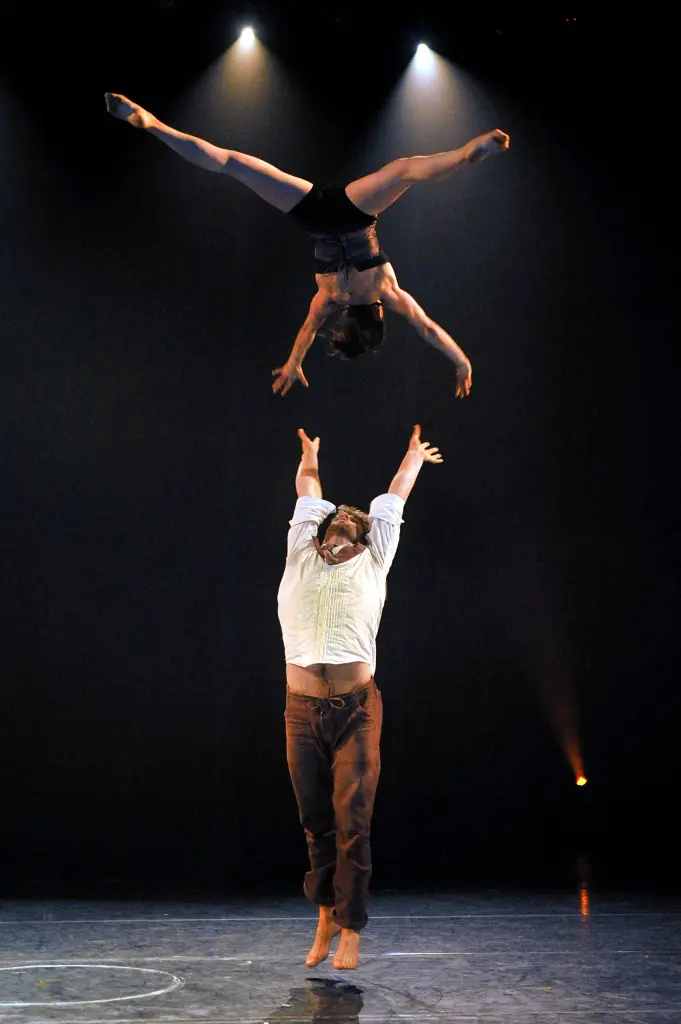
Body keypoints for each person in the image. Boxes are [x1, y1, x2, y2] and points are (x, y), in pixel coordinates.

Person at [105, 93, 509, 398]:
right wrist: (292, 363)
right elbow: (305, 332)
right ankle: (154, 125)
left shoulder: (386, 291)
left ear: (379, 315)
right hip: (314, 218)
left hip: (354, 211)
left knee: (403, 171)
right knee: (233, 165)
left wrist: (461, 360)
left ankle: (464, 153)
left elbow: (426, 328)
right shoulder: (327, 298)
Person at [277, 423, 442, 970]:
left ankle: (351, 925)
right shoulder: (301, 550)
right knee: (314, 818)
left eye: (355, 519)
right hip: (301, 712)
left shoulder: (376, 558)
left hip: (355, 710)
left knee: (354, 818)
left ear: (364, 534)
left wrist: (412, 456)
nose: (345, 516)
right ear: (323, 529)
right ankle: (324, 914)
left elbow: (395, 494)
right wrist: (309, 458)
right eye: (337, 515)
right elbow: (307, 488)